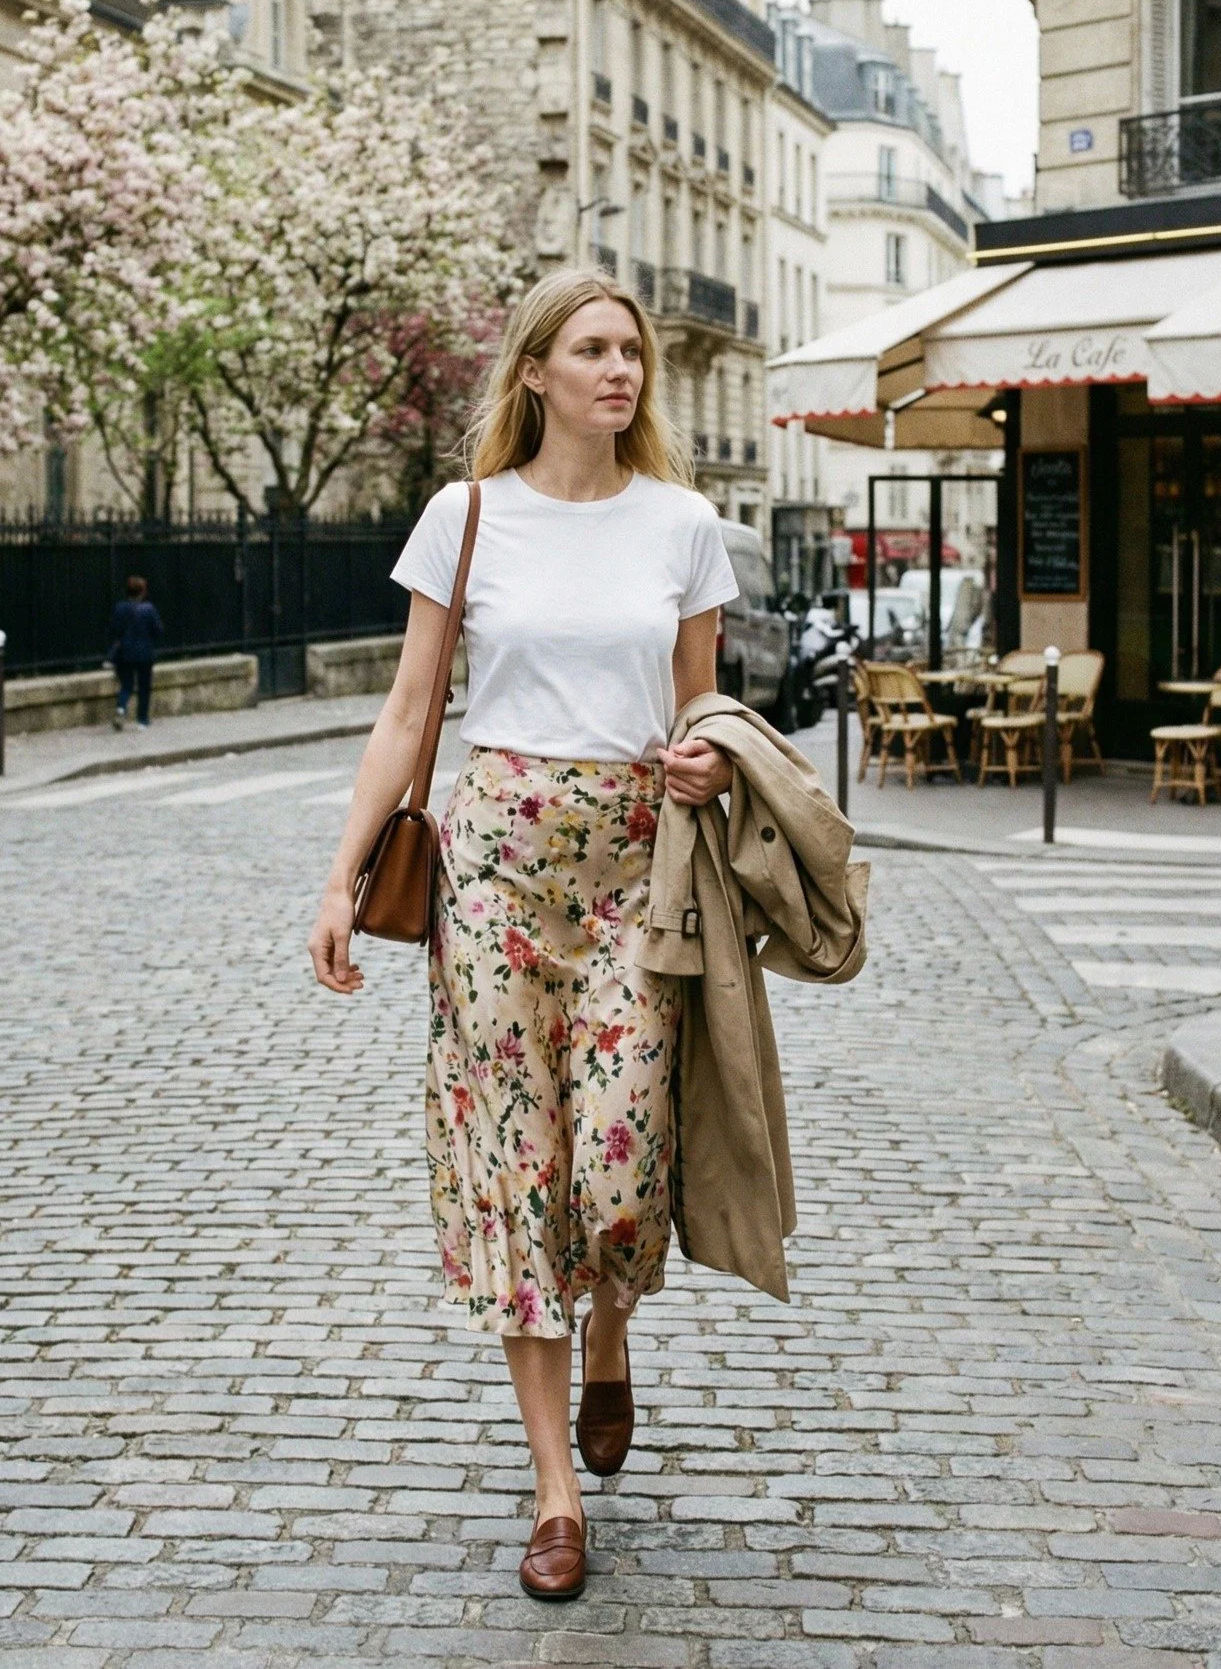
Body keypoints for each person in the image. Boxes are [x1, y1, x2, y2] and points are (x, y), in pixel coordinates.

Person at [307, 268, 742, 1600]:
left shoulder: (682, 522)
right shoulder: (468, 514)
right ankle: (557, 1492)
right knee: (515, 1165)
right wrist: (340, 880)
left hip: (630, 871)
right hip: (492, 863)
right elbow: (411, 704)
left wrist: (705, 766)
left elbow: (704, 706)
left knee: (618, 1169)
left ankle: (612, 1320)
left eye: (633, 353)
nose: (622, 370)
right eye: (595, 349)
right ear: (538, 370)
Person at [108, 574, 163, 730]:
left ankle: (121, 708)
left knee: (126, 685)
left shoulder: (119, 608)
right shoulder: (149, 609)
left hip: (124, 653)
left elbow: (114, 629)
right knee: (144, 687)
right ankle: (142, 720)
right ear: (143, 592)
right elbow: (158, 630)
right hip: (145, 653)